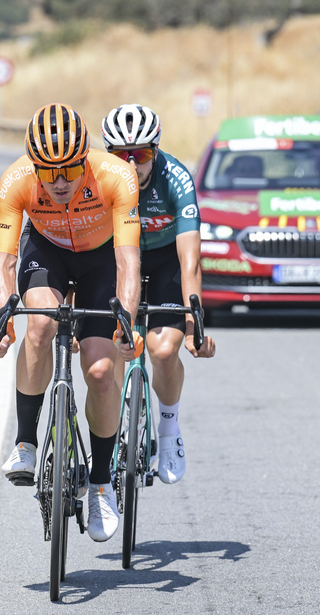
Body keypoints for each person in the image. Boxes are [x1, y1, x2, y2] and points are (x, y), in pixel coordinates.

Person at [0, 103, 143, 542]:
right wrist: (2, 322)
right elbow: (3, 263)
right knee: (39, 325)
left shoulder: (116, 175)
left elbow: (129, 263)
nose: (57, 182)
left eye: (68, 171)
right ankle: (25, 443)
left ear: (84, 159)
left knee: (98, 370)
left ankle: (100, 483)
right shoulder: (17, 180)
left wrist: (125, 325)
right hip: (48, 251)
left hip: (101, 260)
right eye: (47, 171)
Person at [101, 104, 216, 485]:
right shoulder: (99, 182)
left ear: (156, 151)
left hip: (166, 260)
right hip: (118, 258)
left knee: (164, 350)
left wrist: (194, 322)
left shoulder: (177, 179)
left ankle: (168, 430)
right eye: (121, 156)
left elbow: (190, 261)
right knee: (116, 343)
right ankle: (113, 429)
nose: (132, 165)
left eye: (142, 155)